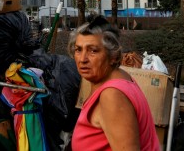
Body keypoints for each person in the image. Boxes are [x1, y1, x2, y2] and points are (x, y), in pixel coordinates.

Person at [68, 15, 160, 151]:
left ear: (114, 56)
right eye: (78, 49)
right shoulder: (119, 78)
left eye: (93, 50)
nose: (82, 59)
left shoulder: (112, 96)